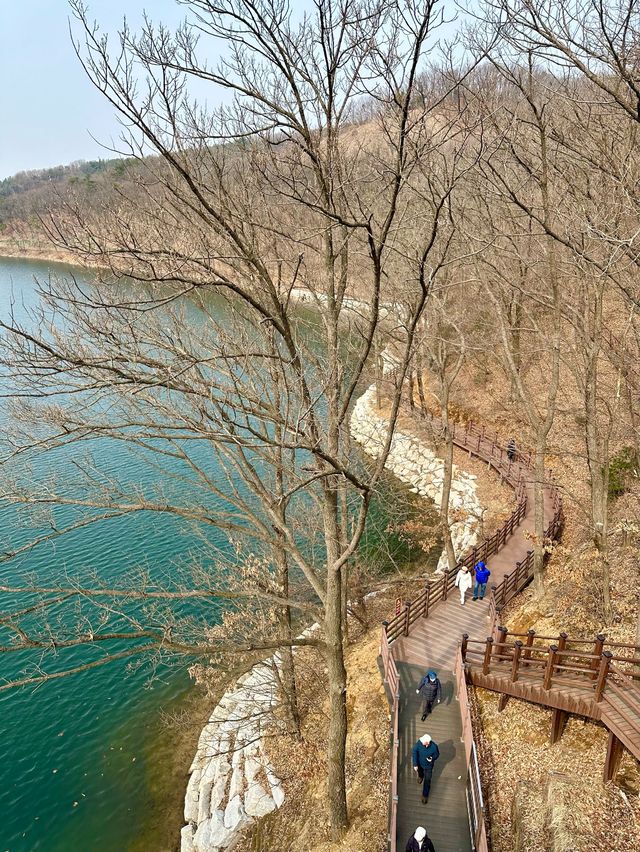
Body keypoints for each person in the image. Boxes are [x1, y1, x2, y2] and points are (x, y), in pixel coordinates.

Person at [411, 733, 440, 803]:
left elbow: (437, 755)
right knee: (420, 772)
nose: (421, 741)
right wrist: (415, 764)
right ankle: (420, 777)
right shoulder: (419, 743)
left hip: (429, 767)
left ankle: (425, 795)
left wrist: (432, 758)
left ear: (427, 742)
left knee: (427, 780)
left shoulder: (434, 747)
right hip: (420, 764)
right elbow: (414, 751)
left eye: (423, 741)